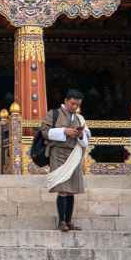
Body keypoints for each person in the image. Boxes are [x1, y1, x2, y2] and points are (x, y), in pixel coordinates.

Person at [39, 89, 91, 231]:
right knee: (62, 188)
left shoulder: (80, 118)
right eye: (73, 103)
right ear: (66, 100)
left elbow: (87, 138)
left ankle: (68, 221)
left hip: (74, 154)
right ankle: (61, 221)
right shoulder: (53, 114)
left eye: (78, 105)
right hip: (58, 153)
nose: (75, 107)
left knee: (71, 190)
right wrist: (64, 131)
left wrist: (80, 135)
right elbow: (44, 132)